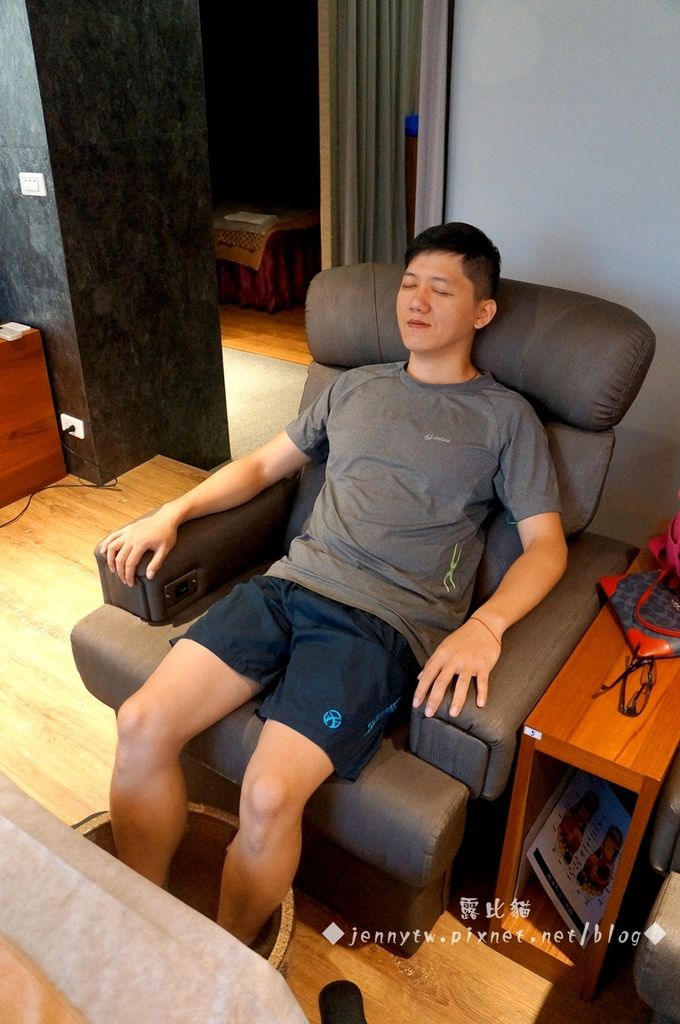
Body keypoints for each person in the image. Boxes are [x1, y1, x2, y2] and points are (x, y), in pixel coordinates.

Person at [100, 222, 567, 947]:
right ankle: (138, 920)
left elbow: (546, 547)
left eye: (441, 290)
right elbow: (261, 468)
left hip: (377, 625)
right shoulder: (355, 386)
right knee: (139, 723)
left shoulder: (506, 418)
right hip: (286, 589)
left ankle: (223, 965)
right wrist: (173, 511)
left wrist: (486, 625)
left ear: (482, 312)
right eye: (409, 285)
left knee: (267, 793)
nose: (416, 302)